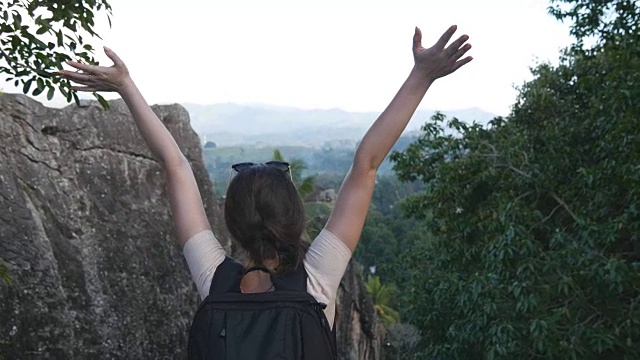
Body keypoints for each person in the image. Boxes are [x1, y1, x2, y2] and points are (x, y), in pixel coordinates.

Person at [58, 23, 472, 352]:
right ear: (294, 217)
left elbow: (175, 167)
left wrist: (127, 86)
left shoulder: (214, 279)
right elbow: (366, 165)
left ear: (232, 223)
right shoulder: (317, 282)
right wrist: (422, 75)